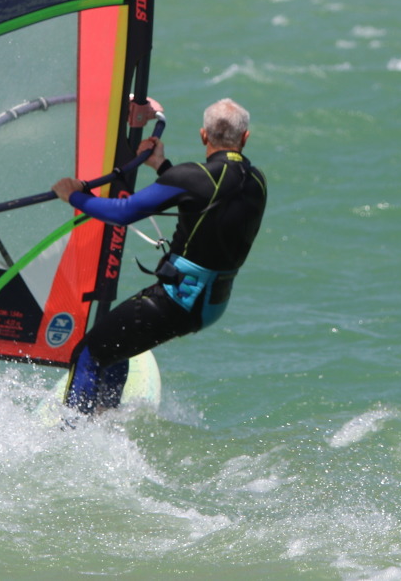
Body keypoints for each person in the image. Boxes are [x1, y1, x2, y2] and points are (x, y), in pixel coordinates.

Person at [51, 97, 267, 414]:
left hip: (179, 300)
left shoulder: (190, 178)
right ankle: (102, 421)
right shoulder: (257, 181)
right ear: (245, 137)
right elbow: (208, 195)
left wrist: (74, 195)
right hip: (213, 303)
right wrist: (161, 166)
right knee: (114, 348)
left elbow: (123, 212)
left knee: (88, 352)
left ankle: (71, 434)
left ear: (203, 135)